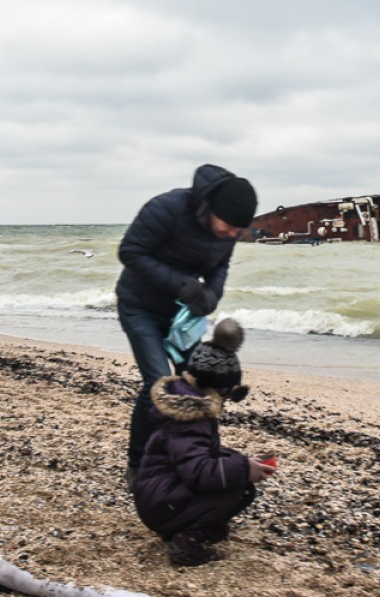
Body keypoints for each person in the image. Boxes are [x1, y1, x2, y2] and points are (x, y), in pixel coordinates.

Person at [116, 163, 258, 487]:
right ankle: (137, 465)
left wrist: (212, 295)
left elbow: (220, 265)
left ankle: (196, 455)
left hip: (184, 318)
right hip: (140, 308)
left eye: (240, 229)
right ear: (210, 208)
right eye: (230, 226)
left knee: (195, 382)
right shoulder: (166, 208)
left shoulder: (228, 228)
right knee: (160, 383)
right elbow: (130, 251)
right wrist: (182, 285)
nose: (234, 234)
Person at [132, 318, 275, 565]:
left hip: (159, 497)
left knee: (232, 473)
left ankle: (196, 525)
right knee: (238, 488)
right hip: (160, 503)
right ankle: (187, 539)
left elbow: (198, 454)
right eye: (227, 396)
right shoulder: (190, 418)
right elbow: (197, 472)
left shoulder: (184, 405)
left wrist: (240, 461)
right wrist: (242, 469)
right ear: (216, 390)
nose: (225, 403)